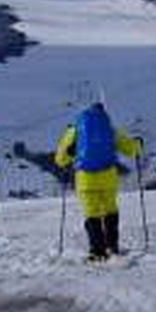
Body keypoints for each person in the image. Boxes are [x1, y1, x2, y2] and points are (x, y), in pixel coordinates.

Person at [54, 102, 142, 261]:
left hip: (86, 179)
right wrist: (138, 144)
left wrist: (69, 153)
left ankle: (97, 251)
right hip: (108, 177)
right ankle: (112, 247)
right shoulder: (109, 129)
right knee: (110, 210)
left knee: (91, 214)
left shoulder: (74, 130)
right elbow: (130, 149)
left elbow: (60, 159)